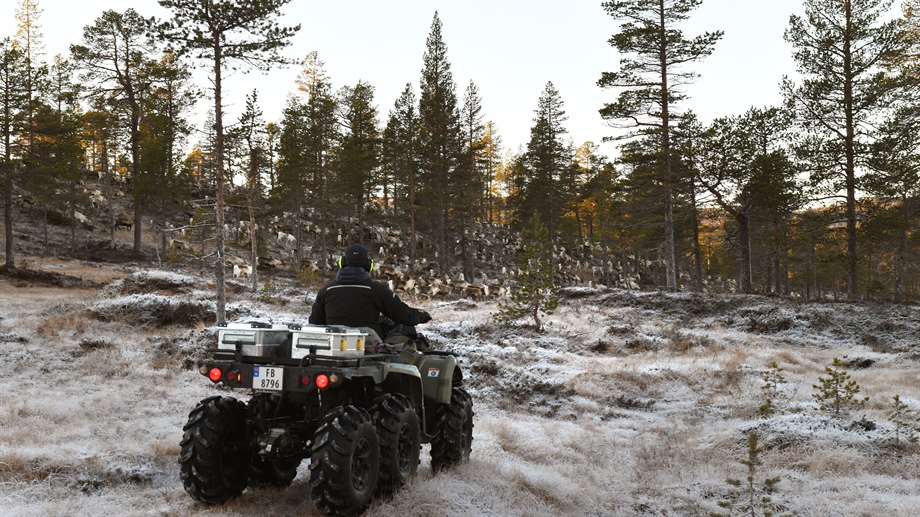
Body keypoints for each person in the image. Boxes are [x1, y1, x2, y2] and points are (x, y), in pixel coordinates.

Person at [309, 244, 431, 344]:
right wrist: (421, 315)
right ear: (369, 265)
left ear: (342, 263)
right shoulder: (377, 289)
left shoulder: (326, 290)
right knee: (404, 361)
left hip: (335, 344)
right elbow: (403, 315)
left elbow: (315, 322)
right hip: (369, 347)